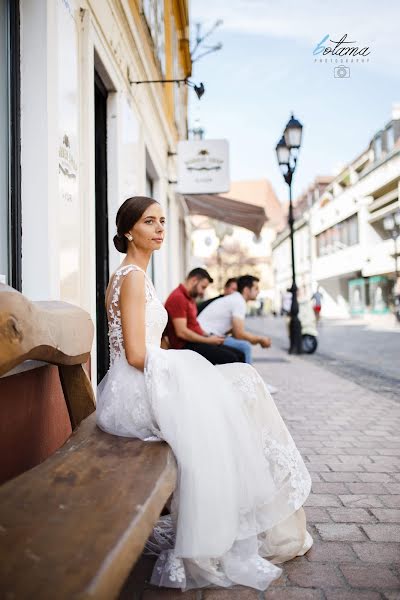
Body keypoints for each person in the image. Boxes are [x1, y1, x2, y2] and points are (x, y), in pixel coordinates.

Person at [96, 196, 313, 593]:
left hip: (144, 381)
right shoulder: (130, 276)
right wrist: (187, 370)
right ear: (129, 231)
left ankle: (241, 516)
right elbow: (135, 354)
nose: (160, 228)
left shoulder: (135, 274)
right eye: (150, 222)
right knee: (240, 386)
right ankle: (240, 519)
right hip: (134, 392)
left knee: (243, 382)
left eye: (163, 220)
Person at [164, 269, 246, 364]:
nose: (202, 292)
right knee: (232, 358)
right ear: (194, 280)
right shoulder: (178, 298)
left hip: (196, 341)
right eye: (203, 287)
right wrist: (208, 340)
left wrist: (209, 336)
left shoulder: (189, 298)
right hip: (185, 345)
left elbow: (194, 325)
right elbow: (181, 332)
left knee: (240, 355)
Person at [198, 274, 272, 366]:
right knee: (245, 347)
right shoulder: (238, 301)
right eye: (256, 288)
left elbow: (236, 332)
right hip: (206, 336)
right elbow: (239, 334)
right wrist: (260, 339)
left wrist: (257, 340)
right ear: (246, 290)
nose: (259, 291)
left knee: (243, 347)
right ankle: (248, 379)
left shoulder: (235, 299)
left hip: (210, 335)